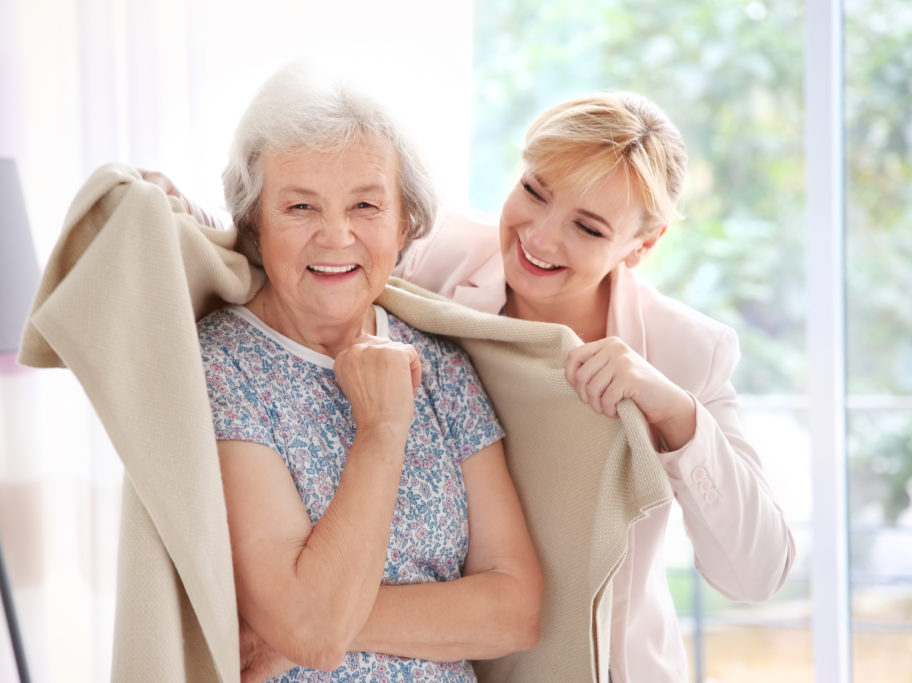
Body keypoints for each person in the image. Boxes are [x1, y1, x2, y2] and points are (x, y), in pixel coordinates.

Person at [151, 89, 795, 682]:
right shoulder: (445, 256)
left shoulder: (687, 351)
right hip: (468, 655)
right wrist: (179, 225)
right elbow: (323, 245)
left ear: (642, 245)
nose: (541, 237)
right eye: (535, 192)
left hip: (597, 664)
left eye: (589, 227)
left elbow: (756, 574)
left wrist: (679, 418)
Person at [196, 65, 542, 682]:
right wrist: (382, 427)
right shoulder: (221, 366)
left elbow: (514, 612)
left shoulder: (440, 364)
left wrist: (312, 624)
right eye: (300, 206)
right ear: (255, 221)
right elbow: (314, 631)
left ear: (404, 220)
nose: (336, 235)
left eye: (365, 205)